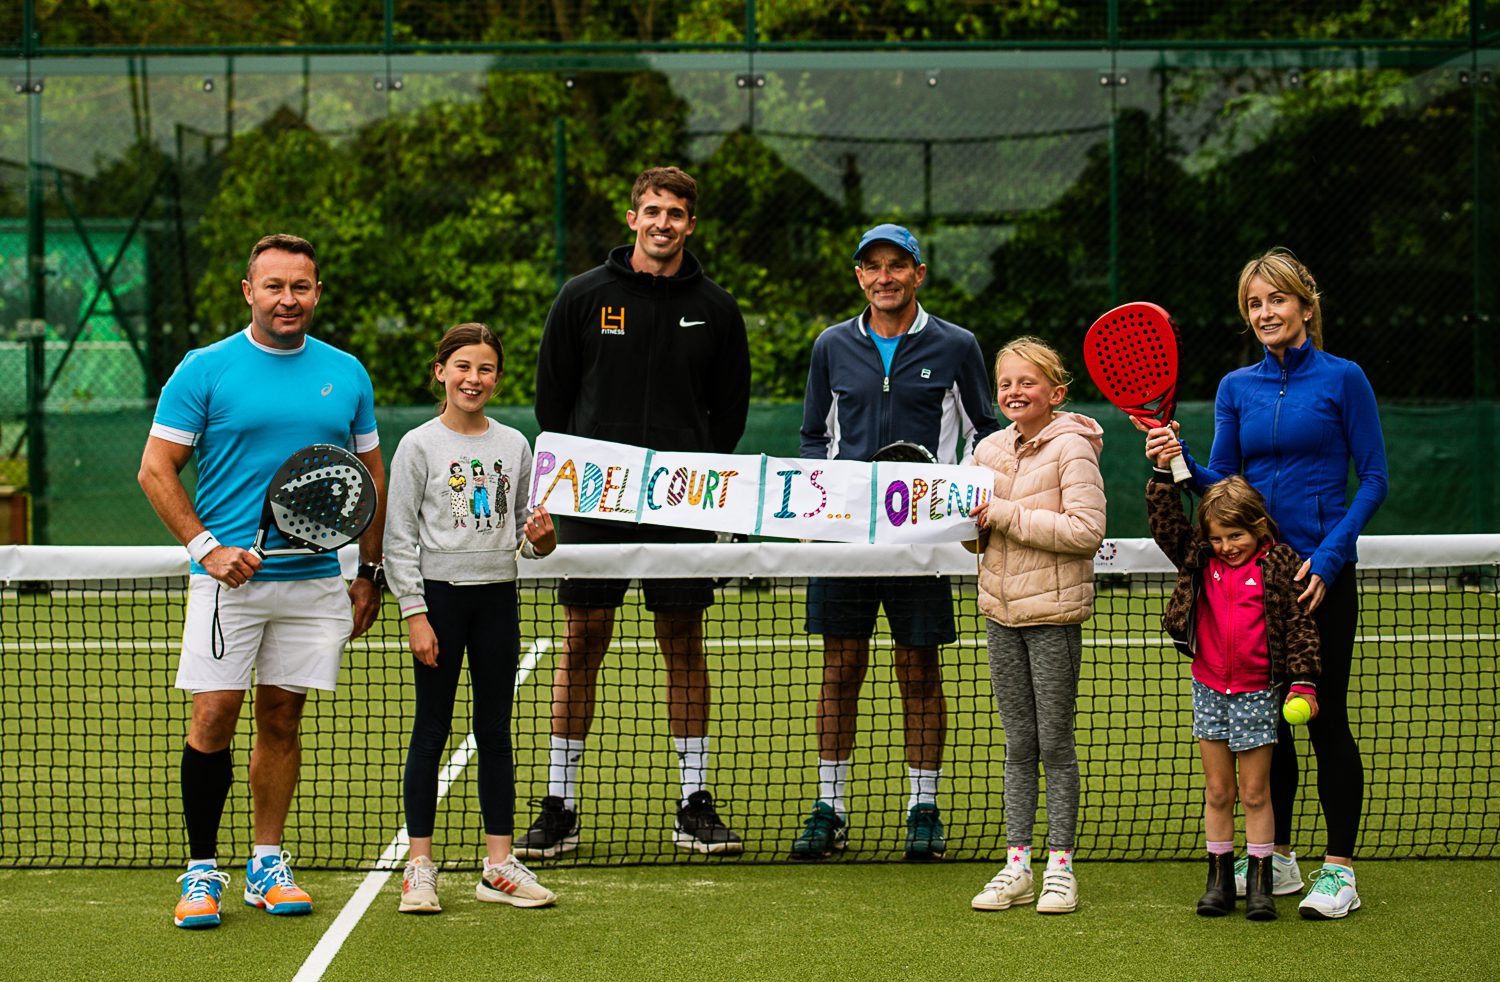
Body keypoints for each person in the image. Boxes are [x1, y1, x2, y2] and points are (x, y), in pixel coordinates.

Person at [138, 234, 386, 929]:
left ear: (317, 293)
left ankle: (267, 863)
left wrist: (369, 571)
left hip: (314, 582)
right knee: (214, 715)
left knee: (282, 718)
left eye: (300, 286)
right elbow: (155, 469)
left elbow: (370, 476)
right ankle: (201, 871)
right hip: (227, 584)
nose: (288, 299)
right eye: (274, 286)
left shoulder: (347, 373)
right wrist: (208, 549)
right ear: (249, 291)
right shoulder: (204, 369)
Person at [1140, 248, 1388, 920]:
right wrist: (1174, 455)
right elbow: (1223, 484)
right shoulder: (1235, 387)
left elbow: (1374, 479)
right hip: (1254, 583)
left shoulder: (1345, 379)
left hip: (1318, 579)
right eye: (1254, 303)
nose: (1265, 312)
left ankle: (1339, 871)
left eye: (1277, 299)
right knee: (1264, 728)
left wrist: (1329, 558)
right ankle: (1274, 855)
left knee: (1324, 719)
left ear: (1305, 305)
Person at [523, 166, 751, 857]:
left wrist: (685, 473)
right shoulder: (582, 296)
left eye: (675, 213)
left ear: (690, 224)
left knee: (683, 642)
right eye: (652, 211)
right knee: (581, 640)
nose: (662, 223)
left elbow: (729, 415)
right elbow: (552, 402)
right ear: (632, 219)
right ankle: (560, 804)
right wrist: (594, 474)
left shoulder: (717, 308)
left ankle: (694, 803)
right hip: (593, 501)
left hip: (682, 501)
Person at [793, 223, 999, 862]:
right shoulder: (831, 345)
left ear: (918, 273)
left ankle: (923, 809)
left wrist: (962, 500)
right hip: (845, 540)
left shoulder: (957, 345)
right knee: (840, 670)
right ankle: (829, 808)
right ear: (860, 276)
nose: (885, 277)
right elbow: (813, 436)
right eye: (873, 266)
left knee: (919, 670)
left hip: (923, 542)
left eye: (897, 265)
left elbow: (984, 432)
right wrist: (822, 503)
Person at [385, 323, 558, 913]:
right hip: (440, 603)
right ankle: (419, 868)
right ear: (441, 372)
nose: (473, 378)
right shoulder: (417, 446)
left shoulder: (515, 444)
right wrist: (415, 613)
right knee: (431, 730)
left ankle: (498, 868)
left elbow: (527, 534)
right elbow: (398, 539)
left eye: (485, 369)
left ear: (497, 379)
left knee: (495, 732)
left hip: (497, 603)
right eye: (462, 366)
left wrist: (543, 541)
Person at [965, 338, 1104, 914]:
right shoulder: (987, 450)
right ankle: (1018, 864)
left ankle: (1060, 868)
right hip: (1000, 616)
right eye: (1005, 384)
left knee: (1055, 744)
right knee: (1018, 743)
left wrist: (1002, 514)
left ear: (1056, 392)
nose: (1014, 392)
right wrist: (968, 525)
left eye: (1027, 382)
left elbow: (1085, 531)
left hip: (1053, 617)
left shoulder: (1074, 447)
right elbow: (975, 537)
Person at [1147, 474, 1322, 920]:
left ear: (1259, 526)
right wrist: (1163, 477)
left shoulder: (1279, 562)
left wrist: (1304, 681)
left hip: (1258, 693)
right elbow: (1166, 525)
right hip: (1208, 689)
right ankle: (1219, 883)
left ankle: (1262, 885)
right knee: (1219, 791)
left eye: (1236, 535)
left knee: (1255, 793)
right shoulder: (1199, 558)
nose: (1226, 546)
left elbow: (1299, 624)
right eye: (1217, 537)